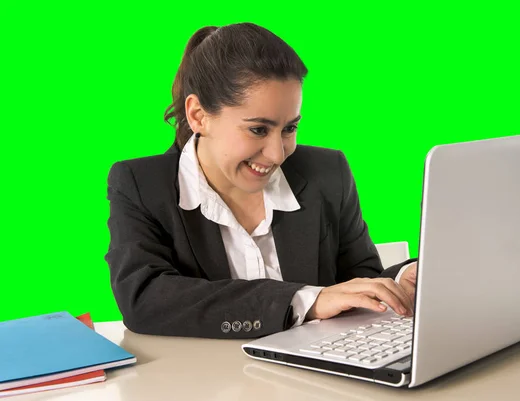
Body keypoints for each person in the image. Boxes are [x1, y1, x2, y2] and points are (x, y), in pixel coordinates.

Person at [105, 22, 418, 339]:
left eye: (289, 128)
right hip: (206, 382)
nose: (277, 153)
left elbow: (358, 280)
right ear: (198, 115)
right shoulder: (140, 184)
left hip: (317, 379)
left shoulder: (328, 172)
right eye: (258, 129)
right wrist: (304, 301)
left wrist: (402, 279)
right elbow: (144, 301)